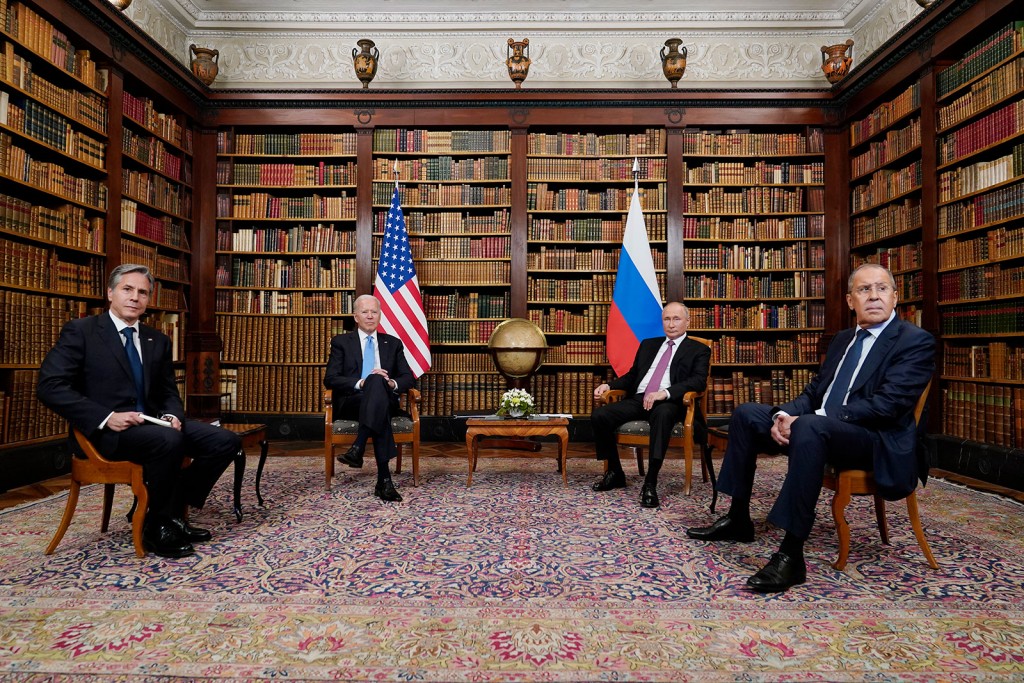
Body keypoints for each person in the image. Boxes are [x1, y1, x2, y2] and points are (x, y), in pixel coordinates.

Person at [686, 263, 936, 593]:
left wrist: (811, 420)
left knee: (812, 428)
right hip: (822, 426)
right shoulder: (844, 340)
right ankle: (738, 518)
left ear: (895, 296)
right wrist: (783, 417)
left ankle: (791, 555)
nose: (874, 296)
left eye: (882, 288)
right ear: (850, 301)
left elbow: (887, 407)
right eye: (864, 290)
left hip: (874, 438)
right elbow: (814, 392)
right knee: (747, 414)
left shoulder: (914, 341)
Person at [37, 264, 240, 558]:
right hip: (105, 434)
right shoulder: (82, 331)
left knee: (224, 441)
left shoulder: (156, 340)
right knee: (168, 441)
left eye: (142, 292)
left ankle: (167, 512)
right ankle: (157, 525)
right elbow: (50, 386)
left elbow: (168, 392)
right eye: (127, 289)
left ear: (148, 300)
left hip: (151, 424)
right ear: (110, 293)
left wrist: (172, 416)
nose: (135, 297)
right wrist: (106, 418)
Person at [591, 302, 710, 508]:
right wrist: (608, 385)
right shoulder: (648, 344)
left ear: (687, 322)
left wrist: (663, 393)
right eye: (667, 319)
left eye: (676, 319)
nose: (671, 324)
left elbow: (698, 382)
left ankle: (650, 482)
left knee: (662, 415)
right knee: (601, 415)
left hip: (671, 402)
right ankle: (615, 472)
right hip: (640, 399)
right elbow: (632, 376)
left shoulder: (698, 349)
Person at [324, 294, 415, 502]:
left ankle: (358, 446)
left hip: (384, 400)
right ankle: (384, 480)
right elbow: (330, 378)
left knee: (378, 382)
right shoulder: (341, 342)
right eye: (365, 312)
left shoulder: (392, 343)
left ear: (380, 316)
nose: (370, 316)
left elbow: (407, 377)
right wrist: (362, 383)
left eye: (374, 312)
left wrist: (391, 383)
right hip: (352, 402)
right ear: (356, 316)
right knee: (374, 382)